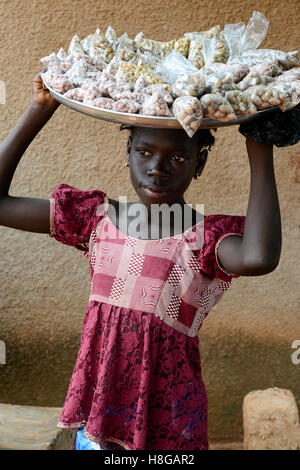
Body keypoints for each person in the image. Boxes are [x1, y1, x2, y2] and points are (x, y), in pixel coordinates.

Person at [0, 73, 298, 451]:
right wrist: (39, 110)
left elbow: (259, 256)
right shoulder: (96, 220)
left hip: (170, 421)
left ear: (199, 163)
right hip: (99, 414)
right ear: (127, 154)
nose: (158, 168)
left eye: (177, 157)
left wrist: (259, 145)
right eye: (144, 152)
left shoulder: (202, 240)